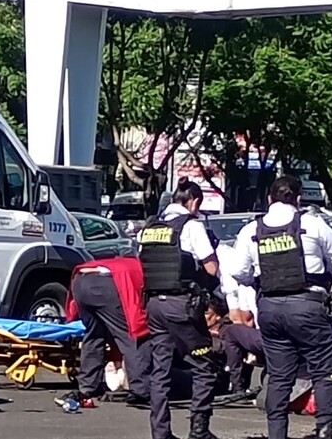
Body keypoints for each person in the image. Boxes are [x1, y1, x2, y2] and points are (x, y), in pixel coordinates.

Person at [230, 175, 332, 439]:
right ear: (299, 198)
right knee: (325, 370)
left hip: (270, 308)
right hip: (308, 307)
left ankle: (277, 434)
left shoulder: (251, 230)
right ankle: (326, 430)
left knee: (279, 376)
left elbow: (238, 273)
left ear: (269, 199)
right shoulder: (312, 223)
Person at [139, 178, 220, 439]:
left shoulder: (150, 227)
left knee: (160, 370)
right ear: (194, 201)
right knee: (204, 363)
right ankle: (199, 430)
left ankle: (160, 432)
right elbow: (212, 268)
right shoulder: (191, 226)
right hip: (181, 305)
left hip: (154, 306)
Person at [56, 257, 153, 408]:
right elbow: (137, 312)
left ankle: (87, 386)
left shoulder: (130, 262)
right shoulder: (147, 272)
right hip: (106, 284)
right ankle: (141, 390)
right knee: (132, 336)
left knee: (94, 336)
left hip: (80, 281)